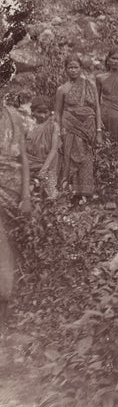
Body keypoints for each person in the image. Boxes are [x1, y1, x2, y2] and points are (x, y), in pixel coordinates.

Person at [54, 55, 101, 202]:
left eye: (76, 67)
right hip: (69, 127)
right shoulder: (62, 89)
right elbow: (57, 112)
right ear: (65, 70)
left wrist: (99, 130)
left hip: (88, 129)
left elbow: (97, 108)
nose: (73, 70)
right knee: (70, 158)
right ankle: (72, 193)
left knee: (86, 158)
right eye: (70, 67)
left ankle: (86, 192)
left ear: (81, 68)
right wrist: (59, 131)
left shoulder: (90, 85)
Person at [0, 103, 32, 316]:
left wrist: (26, 195)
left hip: (10, 187)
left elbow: (24, 159)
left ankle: (5, 298)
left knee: (6, 245)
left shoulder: (13, 116)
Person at [24, 97, 60, 199]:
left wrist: (45, 167)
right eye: (39, 112)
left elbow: (54, 149)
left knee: (51, 195)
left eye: (46, 112)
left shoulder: (53, 126)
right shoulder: (28, 126)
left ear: (50, 112)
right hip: (29, 164)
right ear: (33, 112)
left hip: (47, 164)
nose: (42, 115)